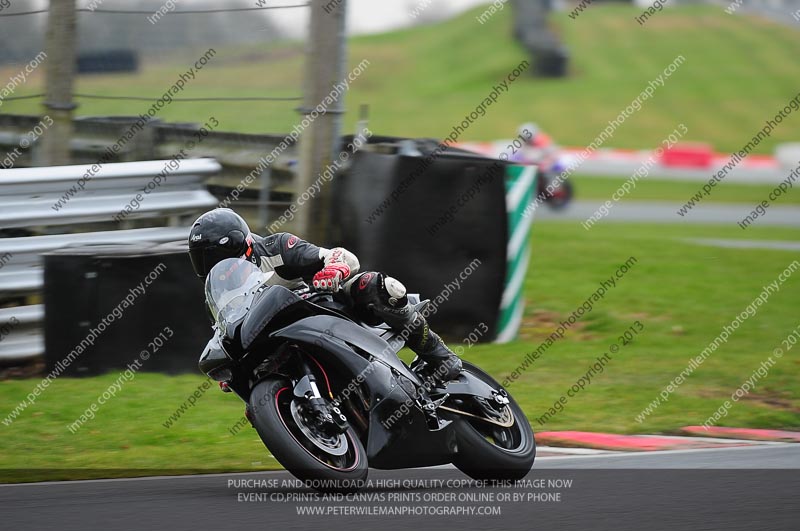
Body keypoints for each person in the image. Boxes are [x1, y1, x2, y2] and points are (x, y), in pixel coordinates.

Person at [188, 208, 462, 383]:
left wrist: (335, 268)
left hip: (320, 305)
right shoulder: (217, 294)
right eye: (203, 259)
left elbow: (337, 256)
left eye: (215, 256)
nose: (212, 265)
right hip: (272, 339)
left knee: (379, 287)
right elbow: (224, 330)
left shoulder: (276, 247)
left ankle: (438, 355)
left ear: (242, 244)